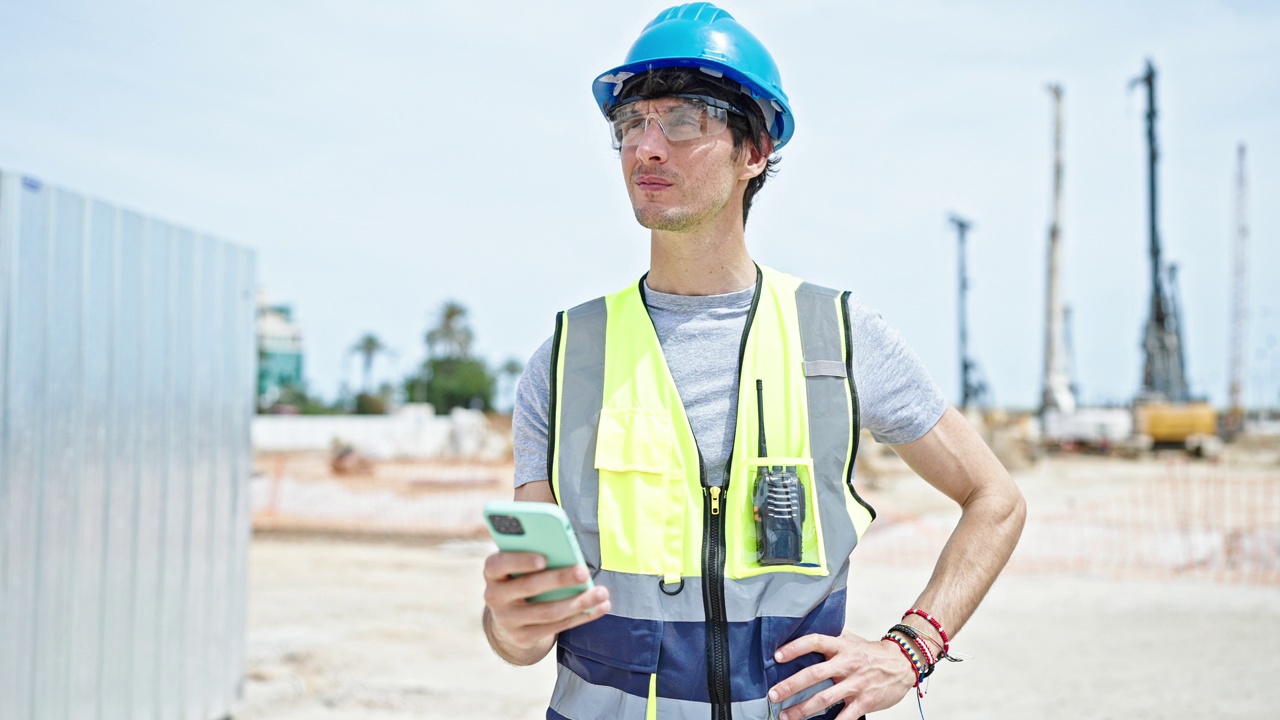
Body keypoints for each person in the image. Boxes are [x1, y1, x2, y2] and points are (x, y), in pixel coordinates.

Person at [481, 4, 1026, 719]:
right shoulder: (565, 361)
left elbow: (997, 502)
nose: (647, 147)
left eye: (682, 122)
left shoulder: (838, 336)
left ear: (755, 151)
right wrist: (508, 624)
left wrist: (908, 651)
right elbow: (526, 628)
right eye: (631, 125)